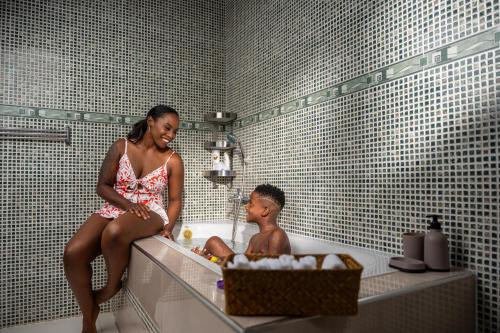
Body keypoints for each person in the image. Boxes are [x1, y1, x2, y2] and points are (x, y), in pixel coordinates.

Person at [63, 105, 184, 333]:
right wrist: (128, 204)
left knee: (115, 231)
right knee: (73, 253)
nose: (170, 135)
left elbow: (176, 200)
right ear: (150, 121)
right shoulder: (122, 146)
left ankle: (111, 287)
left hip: (151, 213)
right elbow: (102, 186)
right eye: (167, 128)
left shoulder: (173, 160)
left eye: (175, 132)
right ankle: (89, 317)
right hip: (117, 206)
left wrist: (168, 228)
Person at [193, 184, 290, 261]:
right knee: (213, 241)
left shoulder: (277, 235)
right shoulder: (255, 239)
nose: (246, 206)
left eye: (251, 203)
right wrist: (209, 259)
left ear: (265, 211)